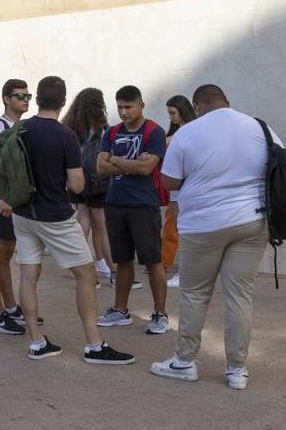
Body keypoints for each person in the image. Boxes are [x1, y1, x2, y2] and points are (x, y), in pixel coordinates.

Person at [150, 84, 276, 390]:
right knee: (240, 296)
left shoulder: (187, 133)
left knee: (195, 292)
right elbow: (277, 167)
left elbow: (169, 181)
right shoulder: (261, 128)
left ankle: (184, 362)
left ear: (197, 106)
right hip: (252, 220)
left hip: (203, 225)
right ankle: (237, 370)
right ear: (227, 102)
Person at [5, 75, 134, 364]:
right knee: (86, 274)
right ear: (63, 101)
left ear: (37, 99)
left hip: (23, 213)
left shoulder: (20, 129)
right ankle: (94, 345)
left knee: (28, 275)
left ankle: (37, 342)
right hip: (55, 215)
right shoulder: (65, 136)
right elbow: (76, 184)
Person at [96, 85, 170, 336]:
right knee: (122, 260)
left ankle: (160, 314)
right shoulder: (111, 132)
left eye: (128, 107)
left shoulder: (154, 132)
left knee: (153, 261)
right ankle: (120, 310)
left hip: (143, 205)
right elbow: (100, 168)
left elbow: (146, 169)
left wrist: (116, 159)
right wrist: (131, 163)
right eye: (120, 107)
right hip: (115, 204)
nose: (124, 112)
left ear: (141, 105)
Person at [0, 79, 33, 334]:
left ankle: (11, 308)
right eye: (19, 96)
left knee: (6, 256)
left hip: (14, 201)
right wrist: (1, 196)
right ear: (6, 99)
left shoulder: (21, 125)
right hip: (1, 200)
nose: (25, 100)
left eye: (27, 96)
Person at [60, 88, 114, 281]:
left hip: (75, 179)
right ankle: (114, 271)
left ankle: (85, 268)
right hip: (97, 181)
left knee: (83, 222)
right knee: (102, 226)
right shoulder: (101, 126)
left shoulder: (70, 125)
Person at [162, 94, 196, 287]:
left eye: (173, 112)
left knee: (182, 230)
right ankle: (165, 264)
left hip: (186, 188)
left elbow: (166, 143)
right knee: (173, 227)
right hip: (177, 188)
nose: (171, 117)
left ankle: (183, 272)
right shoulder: (182, 130)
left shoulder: (188, 131)